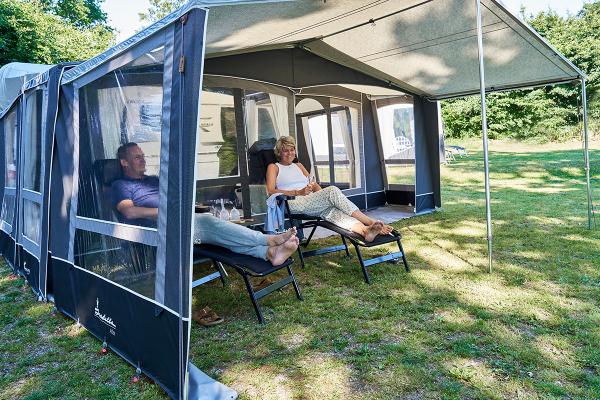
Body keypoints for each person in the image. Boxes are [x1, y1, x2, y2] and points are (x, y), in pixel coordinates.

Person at [111, 142, 300, 325]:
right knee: (208, 222)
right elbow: (129, 212)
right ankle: (269, 240)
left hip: (183, 224)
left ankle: (269, 252)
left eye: (143, 156)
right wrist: (168, 213)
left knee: (223, 235)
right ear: (124, 162)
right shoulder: (120, 185)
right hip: (159, 233)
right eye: (137, 157)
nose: (143, 159)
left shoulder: (153, 180)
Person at [266, 136, 393, 242]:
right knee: (332, 190)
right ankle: (370, 221)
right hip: (291, 202)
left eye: (292, 149)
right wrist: (297, 192)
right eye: (286, 150)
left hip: (310, 201)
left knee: (333, 211)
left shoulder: (298, 165)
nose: (290, 153)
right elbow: (270, 191)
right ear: (279, 152)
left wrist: (320, 194)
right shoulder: (274, 167)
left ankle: (365, 231)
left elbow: (313, 183)